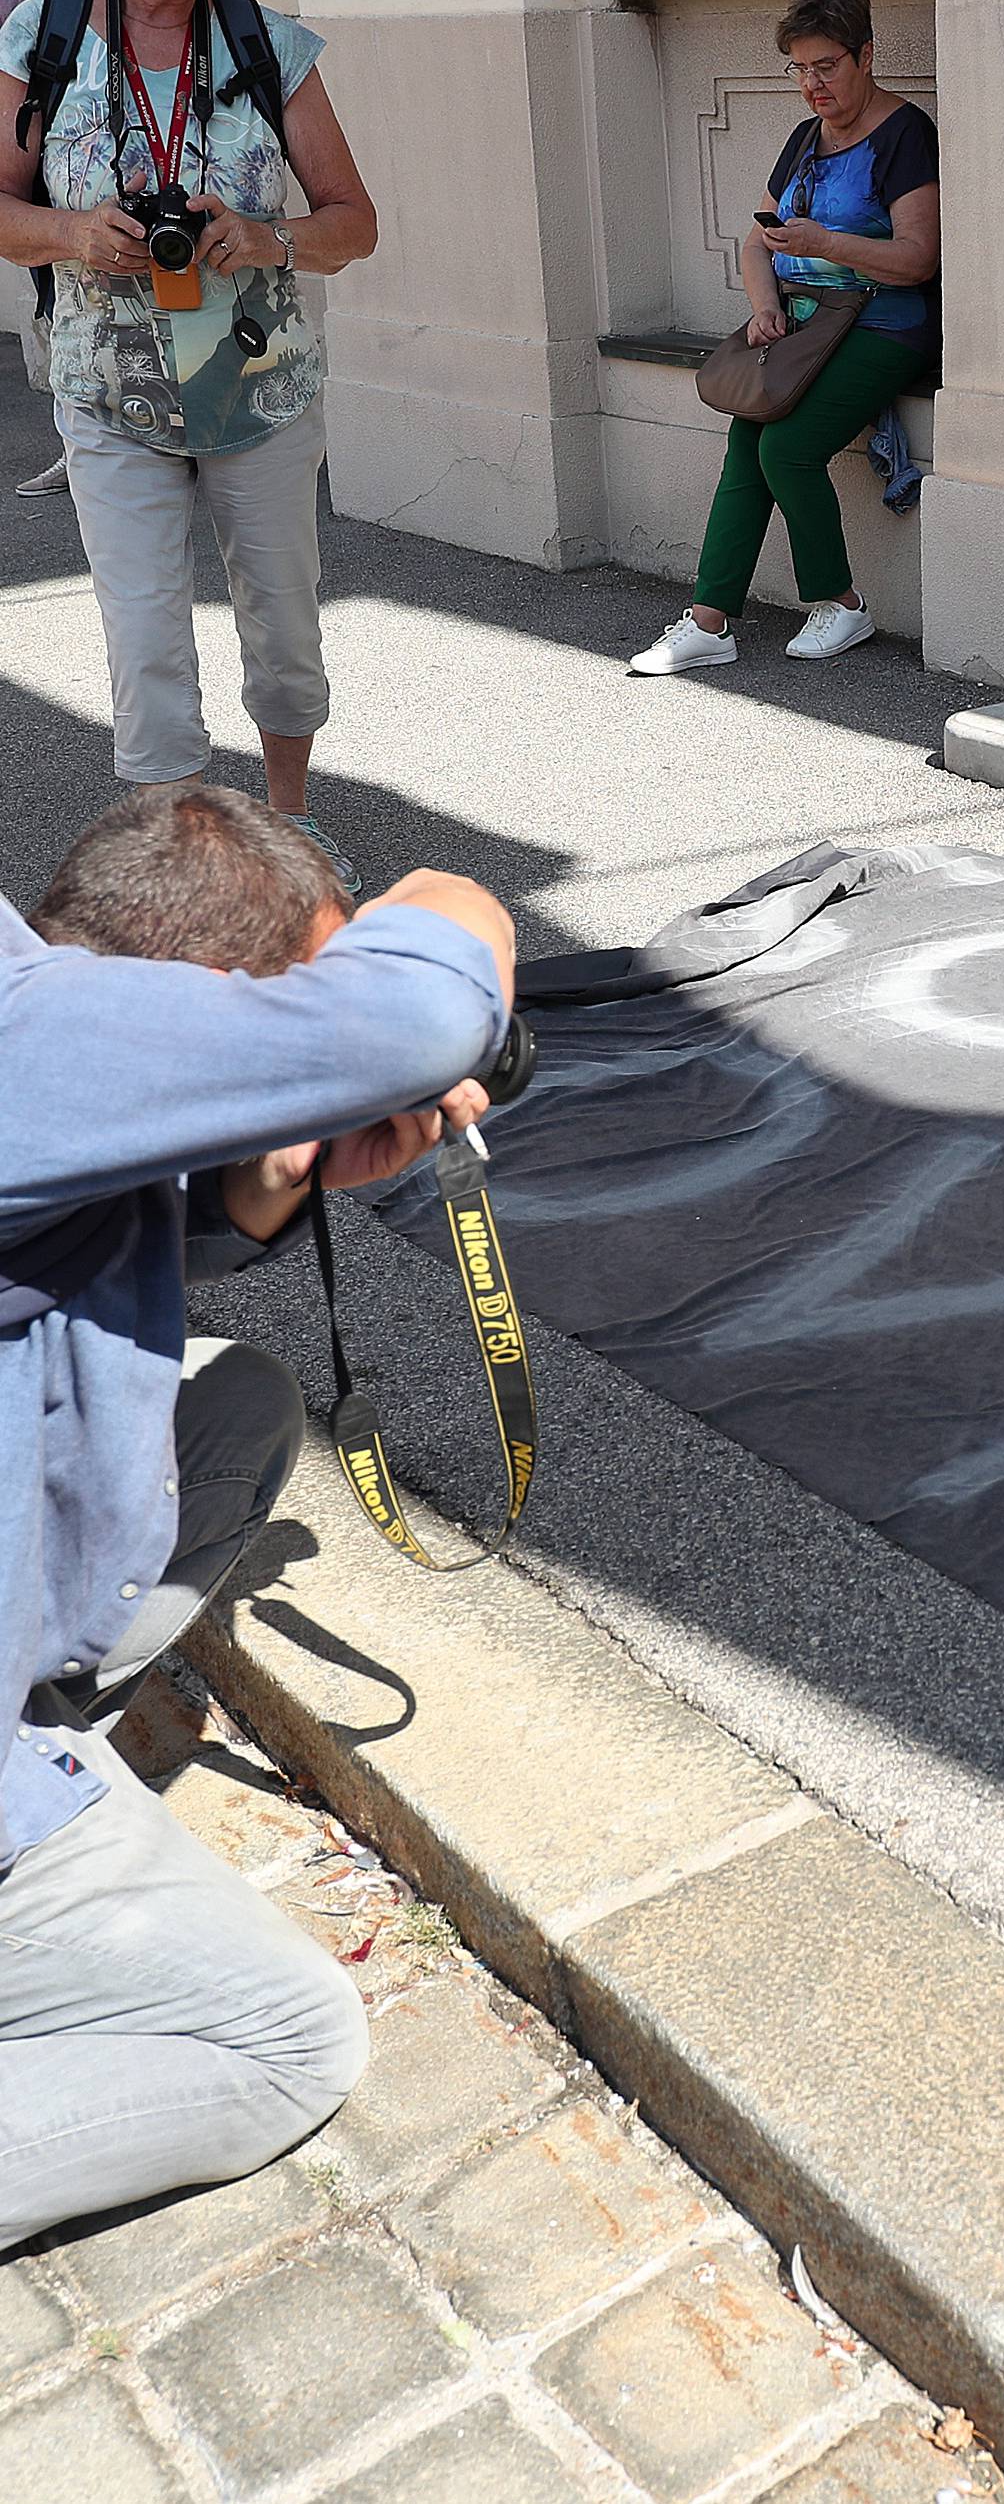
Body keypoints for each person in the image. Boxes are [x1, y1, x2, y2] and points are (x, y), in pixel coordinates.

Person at [0, 785, 517, 2253]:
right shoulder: (20, 1039)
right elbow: (421, 1017)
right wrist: (455, 899)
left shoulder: (44, 1007)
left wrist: (270, 1173)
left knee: (236, 1409)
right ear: (222, 1010)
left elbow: (65, 1238)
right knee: (284, 2037)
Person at [0, 0, 376, 894]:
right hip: (108, 394)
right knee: (147, 638)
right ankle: (178, 870)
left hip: (256, 388)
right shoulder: (45, 37)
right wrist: (76, 233)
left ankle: (291, 829)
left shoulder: (265, 44)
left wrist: (268, 238)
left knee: (285, 623)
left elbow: (357, 222)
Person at [629, 0, 938, 677]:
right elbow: (756, 240)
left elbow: (918, 260)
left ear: (865, 55)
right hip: (806, 323)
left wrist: (826, 243)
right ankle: (709, 621)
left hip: (887, 321)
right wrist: (764, 306)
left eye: (826, 66)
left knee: (787, 447)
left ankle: (843, 602)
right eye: (799, 68)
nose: (812, 85)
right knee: (749, 434)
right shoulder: (805, 138)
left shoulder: (904, 134)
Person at [0, 0, 110, 500]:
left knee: (101, 288)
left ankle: (135, 440)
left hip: (91, 151)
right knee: (46, 303)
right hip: (19, 159)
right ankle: (76, 444)